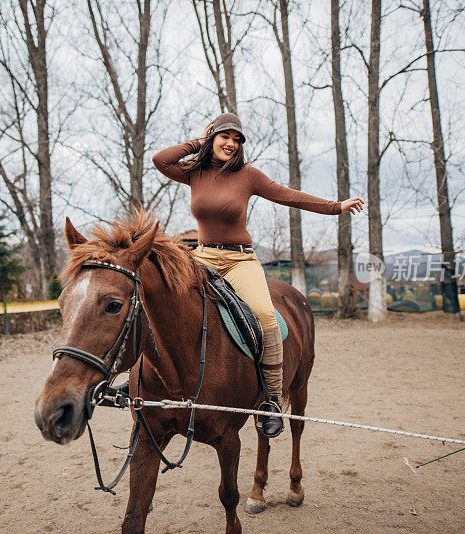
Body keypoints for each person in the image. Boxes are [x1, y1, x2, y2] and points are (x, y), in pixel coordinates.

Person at [152, 112, 364, 438]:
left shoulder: (248, 175)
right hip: (202, 258)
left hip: (239, 261)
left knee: (265, 315)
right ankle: (148, 377)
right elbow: (160, 159)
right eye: (225, 137)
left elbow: (289, 195)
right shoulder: (195, 172)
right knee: (164, 300)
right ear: (213, 139)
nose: (232, 144)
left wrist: (336, 206)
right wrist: (199, 141)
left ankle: (273, 401)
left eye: (237, 140)